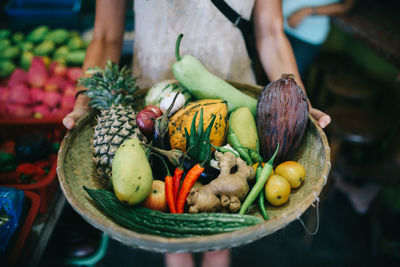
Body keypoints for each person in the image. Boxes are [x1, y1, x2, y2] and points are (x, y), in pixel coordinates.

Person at [62, 1, 331, 266]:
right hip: (157, 108)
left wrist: (297, 102)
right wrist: (83, 102)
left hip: (234, 99)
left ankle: (217, 252)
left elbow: (271, 33)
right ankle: (176, 254)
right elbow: (106, 36)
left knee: (225, 229)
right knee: (169, 217)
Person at [282, 0, 355, 78]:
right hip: (278, 27)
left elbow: (345, 6)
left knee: (286, 81)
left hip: (306, 37)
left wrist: (307, 11)